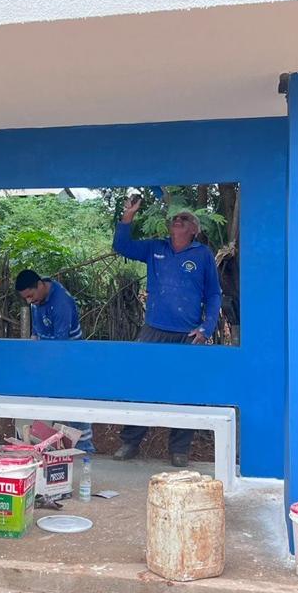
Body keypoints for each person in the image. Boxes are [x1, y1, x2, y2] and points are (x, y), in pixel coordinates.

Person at [111, 198, 222, 468]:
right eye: (176, 218)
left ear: (194, 230)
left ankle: (179, 450)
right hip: (154, 330)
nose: (178, 220)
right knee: (141, 384)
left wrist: (206, 328)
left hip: (187, 334)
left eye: (185, 219)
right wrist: (128, 216)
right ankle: (130, 442)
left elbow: (214, 294)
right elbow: (121, 246)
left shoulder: (203, 254)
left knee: (186, 390)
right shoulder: (154, 248)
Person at [14, 269, 94, 453]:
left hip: (69, 358)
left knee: (75, 404)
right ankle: (44, 448)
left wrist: (42, 366)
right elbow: (37, 331)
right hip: (47, 358)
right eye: (25, 297)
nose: (28, 301)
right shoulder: (37, 299)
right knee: (44, 404)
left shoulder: (61, 304)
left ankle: (85, 450)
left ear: (40, 285)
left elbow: (61, 346)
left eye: (30, 295)